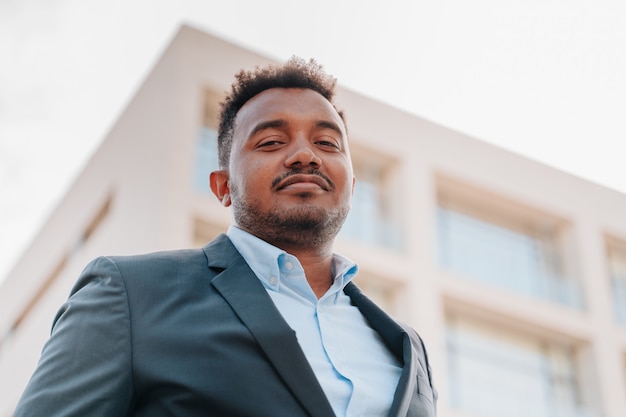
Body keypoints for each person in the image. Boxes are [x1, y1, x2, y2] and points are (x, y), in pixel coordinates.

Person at [14, 57, 437, 417]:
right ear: (222, 187)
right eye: (272, 141)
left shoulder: (406, 346)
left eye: (327, 142)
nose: (306, 155)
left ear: (352, 184)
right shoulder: (131, 295)